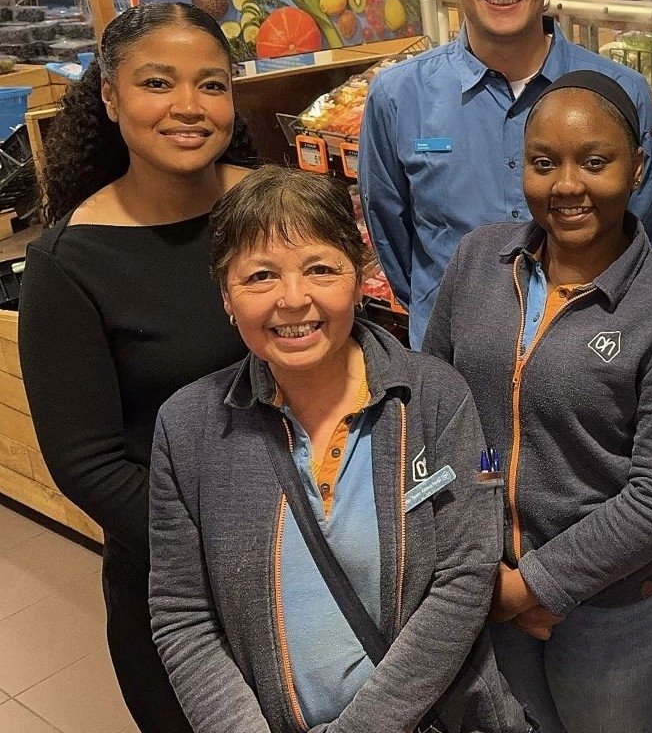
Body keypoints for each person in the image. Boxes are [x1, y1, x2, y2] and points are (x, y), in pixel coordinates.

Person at [148, 167, 528, 733]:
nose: (293, 299)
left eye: (320, 269)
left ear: (358, 278)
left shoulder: (433, 398)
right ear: (226, 295)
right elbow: (183, 617)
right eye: (260, 276)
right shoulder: (188, 428)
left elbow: (466, 576)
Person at [422, 69, 652, 733]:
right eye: (543, 163)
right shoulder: (479, 262)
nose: (566, 186)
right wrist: (481, 554)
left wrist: (538, 584)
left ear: (637, 168)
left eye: (594, 162)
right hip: (491, 584)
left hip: (619, 616)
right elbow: (441, 410)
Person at [18, 1, 259, 733]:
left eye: (211, 85)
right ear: (111, 97)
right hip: (182, 589)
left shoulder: (272, 204)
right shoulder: (68, 263)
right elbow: (87, 463)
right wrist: (235, 547)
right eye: (159, 83)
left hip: (323, 545)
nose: (189, 107)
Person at [359, 0, 652, 348]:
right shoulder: (397, 98)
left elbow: (650, 234)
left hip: (586, 366)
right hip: (453, 375)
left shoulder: (621, 93)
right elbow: (394, 242)